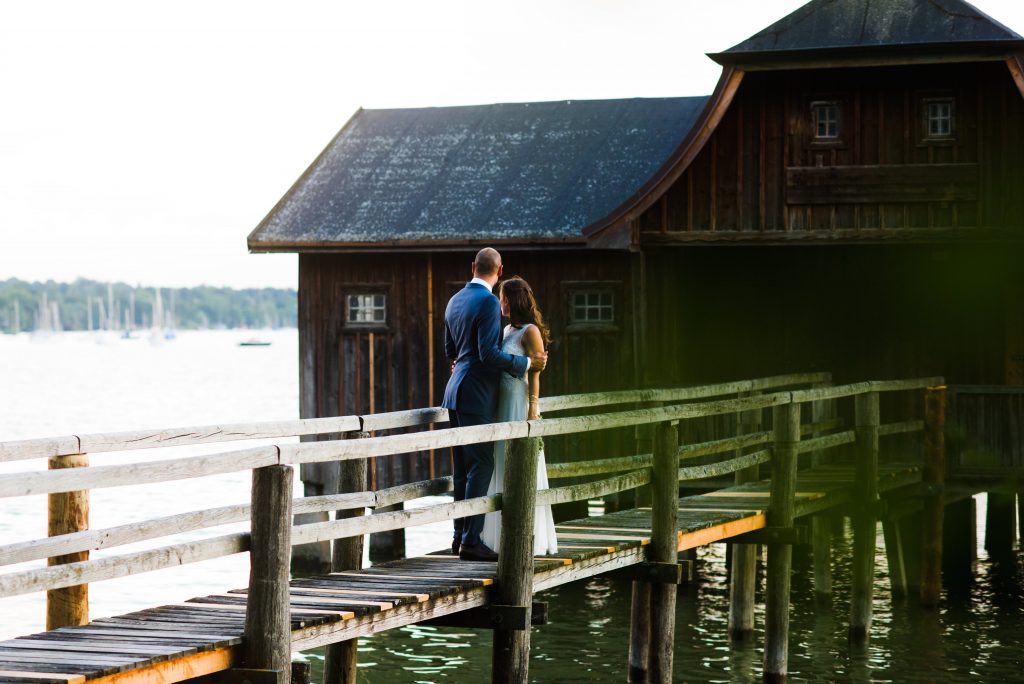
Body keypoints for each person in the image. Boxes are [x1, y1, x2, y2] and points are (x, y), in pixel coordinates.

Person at [443, 248, 547, 562]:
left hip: (454, 392)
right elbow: (488, 354)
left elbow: (452, 349)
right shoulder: (488, 302)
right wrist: (525, 363)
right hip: (475, 394)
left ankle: (459, 536)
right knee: (482, 465)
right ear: (499, 271)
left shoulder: (455, 300)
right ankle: (471, 542)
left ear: (473, 266)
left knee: (462, 469)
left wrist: (463, 363)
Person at [480, 276, 558, 556]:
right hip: (501, 403)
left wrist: (533, 408)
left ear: (514, 299)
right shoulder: (504, 331)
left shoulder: (529, 330)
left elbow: (536, 370)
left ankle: (527, 534)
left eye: (503, 297)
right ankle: (499, 536)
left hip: (518, 400)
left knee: (521, 462)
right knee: (500, 459)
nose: (500, 303)